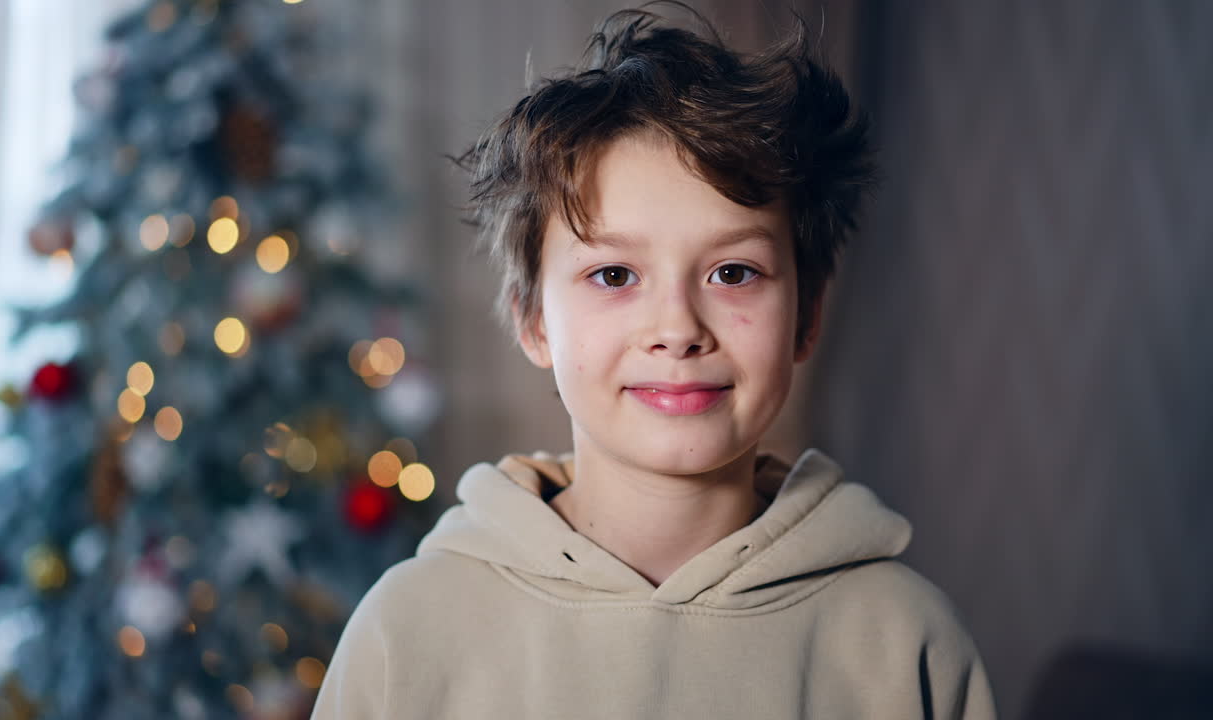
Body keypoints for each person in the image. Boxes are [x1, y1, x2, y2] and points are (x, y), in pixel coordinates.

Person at [312, 3, 997, 718]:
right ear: (533, 320)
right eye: (614, 276)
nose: (677, 330)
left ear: (808, 315)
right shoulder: (410, 632)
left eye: (733, 273)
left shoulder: (907, 642)